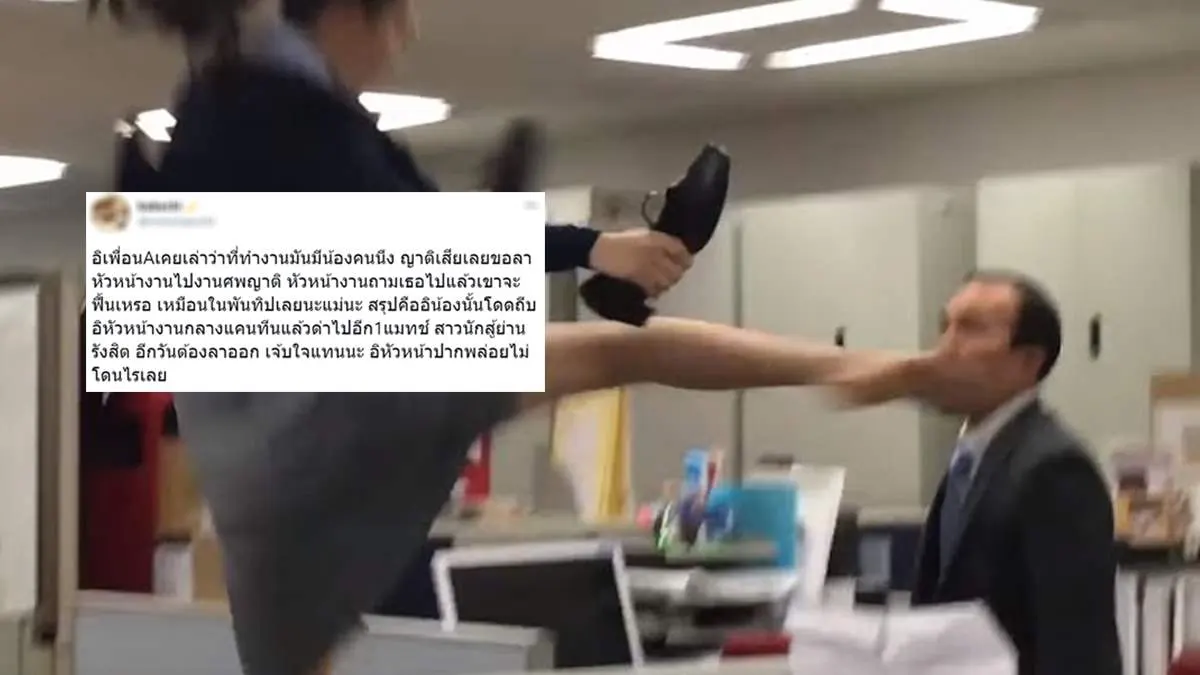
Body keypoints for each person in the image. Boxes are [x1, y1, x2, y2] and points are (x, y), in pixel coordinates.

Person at [92, 1, 940, 673]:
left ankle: (857, 365)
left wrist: (585, 247)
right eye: (399, 11)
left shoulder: (249, 95)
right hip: (318, 388)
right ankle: (857, 366)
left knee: (619, 353)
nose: (407, 32)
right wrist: (592, 247)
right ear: (351, 11)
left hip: (291, 366)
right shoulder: (287, 113)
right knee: (624, 351)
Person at [910, 270, 1120, 675]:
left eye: (970, 329)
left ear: (1029, 361)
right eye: (945, 327)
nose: (944, 349)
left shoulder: (1056, 470)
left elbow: (1077, 652)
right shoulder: (970, 458)